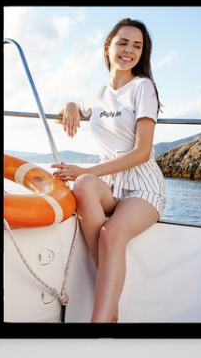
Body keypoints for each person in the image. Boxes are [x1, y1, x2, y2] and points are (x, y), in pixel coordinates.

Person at [53, 18, 165, 324]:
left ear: (143, 54)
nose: (129, 50)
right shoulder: (100, 96)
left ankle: (99, 324)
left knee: (110, 234)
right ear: (108, 48)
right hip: (111, 189)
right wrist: (72, 104)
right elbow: (74, 107)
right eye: (123, 43)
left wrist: (85, 169)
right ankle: (110, 309)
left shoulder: (143, 88)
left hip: (143, 187)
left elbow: (142, 152)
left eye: (137, 46)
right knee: (85, 185)